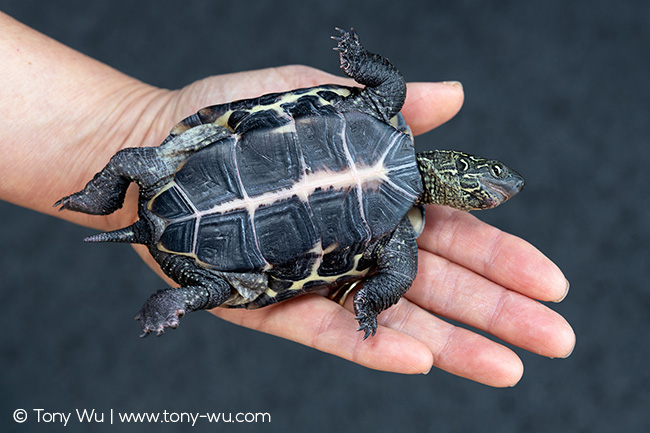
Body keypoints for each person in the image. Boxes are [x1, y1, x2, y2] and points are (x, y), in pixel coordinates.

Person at [0, 12, 574, 387]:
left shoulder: (380, 111)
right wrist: (373, 301)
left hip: (182, 178)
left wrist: (358, 63)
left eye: (483, 191)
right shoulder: (399, 233)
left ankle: (125, 221)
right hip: (203, 235)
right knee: (213, 274)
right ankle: (176, 296)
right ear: (458, 178)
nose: (489, 186)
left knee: (138, 161)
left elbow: (385, 85)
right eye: (485, 181)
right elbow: (394, 276)